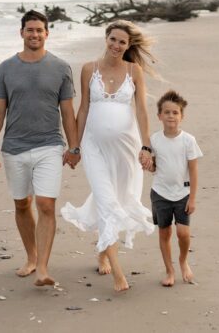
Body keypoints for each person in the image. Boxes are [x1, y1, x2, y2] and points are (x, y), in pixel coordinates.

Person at [0, 10, 80, 287]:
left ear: (47, 33)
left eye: (40, 30)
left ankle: (42, 268)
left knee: (45, 204)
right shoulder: (5, 69)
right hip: (14, 146)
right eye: (30, 30)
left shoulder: (61, 68)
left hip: (49, 144)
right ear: (22, 33)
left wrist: (74, 147)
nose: (35, 34)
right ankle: (31, 256)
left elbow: (67, 111)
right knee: (22, 203)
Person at [60, 20, 156, 292]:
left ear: (128, 46)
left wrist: (147, 147)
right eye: (113, 39)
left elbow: (141, 111)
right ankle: (118, 273)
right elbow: (83, 109)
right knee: (105, 199)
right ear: (106, 38)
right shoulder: (89, 69)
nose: (116, 45)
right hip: (94, 147)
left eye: (122, 42)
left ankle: (103, 250)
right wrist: (75, 147)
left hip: (127, 149)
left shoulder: (134, 71)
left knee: (123, 198)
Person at [149, 90, 203, 286]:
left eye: (175, 112)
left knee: (183, 233)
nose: (171, 116)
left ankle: (182, 260)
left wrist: (193, 198)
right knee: (164, 232)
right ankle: (169, 270)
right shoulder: (154, 140)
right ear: (159, 116)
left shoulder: (188, 140)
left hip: (183, 194)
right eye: (167, 112)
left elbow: (194, 171)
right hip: (160, 193)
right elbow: (154, 166)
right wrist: (149, 164)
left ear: (182, 116)